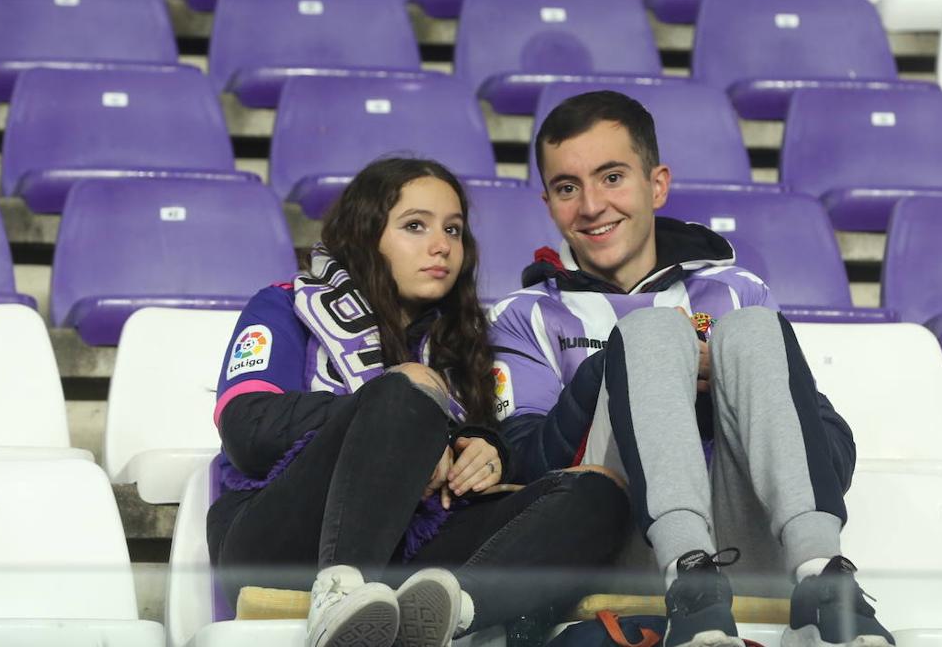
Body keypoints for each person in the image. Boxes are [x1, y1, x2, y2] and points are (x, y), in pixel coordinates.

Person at [488, 92, 894, 647]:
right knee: (652, 333)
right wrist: (625, 369)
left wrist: (719, 385)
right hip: (615, 552)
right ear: (549, 202)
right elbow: (525, 471)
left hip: (750, 544)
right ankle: (689, 583)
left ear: (657, 184)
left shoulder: (739, 292)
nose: (590, 205)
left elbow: (831, 454)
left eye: (611, 177)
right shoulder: (525, 314)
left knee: (746, 332)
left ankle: (824, 579)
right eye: (567, 188)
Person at [207, 157, 630, 647]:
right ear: (365, 235)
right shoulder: (285, 306)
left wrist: (483, 450)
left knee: (598, 490)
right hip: (278, 540)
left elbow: (489, 448)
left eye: (453, 230)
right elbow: (247, 428)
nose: (441, 246)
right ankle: (341, 598)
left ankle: (451, 610)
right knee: (407, 388)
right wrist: (403, 423)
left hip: (413, 549)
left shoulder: (465, 338)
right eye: (415, 226)